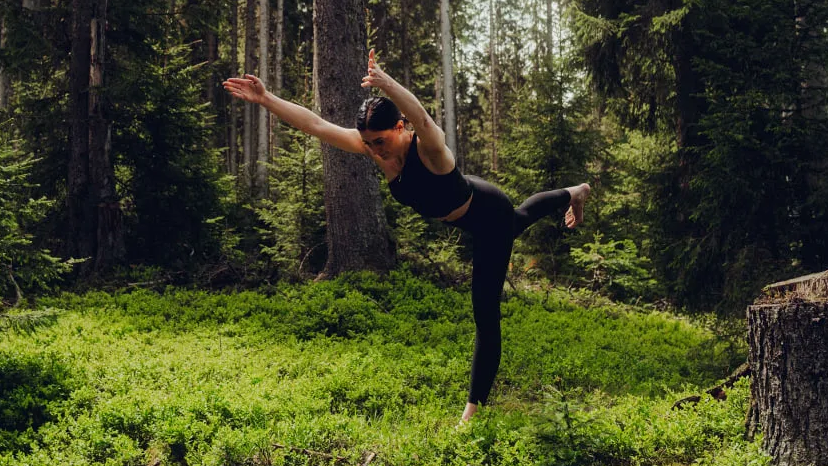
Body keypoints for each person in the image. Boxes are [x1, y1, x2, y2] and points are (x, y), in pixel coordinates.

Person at [223, 49, 590, 423]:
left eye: (379, 140)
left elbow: (423, 117)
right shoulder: (376, 151)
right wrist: (266, 98)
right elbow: (317, 126)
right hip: (468, 209)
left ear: (399, 128)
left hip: (487, 216)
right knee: (523, 217)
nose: (372, 149)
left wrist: (387, 84)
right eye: (368, 142)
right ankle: (576, 192)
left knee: (485, 310)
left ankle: (471, 413)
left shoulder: (429, 149)